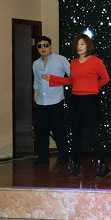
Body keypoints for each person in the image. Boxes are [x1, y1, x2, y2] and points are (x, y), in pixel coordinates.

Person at [42, 33, 111, 179]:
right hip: (76, 101)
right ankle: (76, 166)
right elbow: (70, 81)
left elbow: (106, 78)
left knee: (90, 135)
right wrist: (52, 78)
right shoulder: (73, 62)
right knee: (75, 135)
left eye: (82, 44)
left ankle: (104, 166)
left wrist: (94, 88)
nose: (79, 47)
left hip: (90, 101)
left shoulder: (96, 61)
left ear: (88, 46)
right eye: (77, 44)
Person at [32, 35, 71, 166]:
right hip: (41, 102)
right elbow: (36, 82)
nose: (43, 48)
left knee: (58, 130)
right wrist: (35, 99)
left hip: (56, 102)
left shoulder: (60, 60)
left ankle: (64, 157)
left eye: (45, 45)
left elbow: (72, 77)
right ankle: (43, 158)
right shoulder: (36, 64)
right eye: (40, 46)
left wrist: (55, 79)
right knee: (41, 131)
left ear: (50, 46)